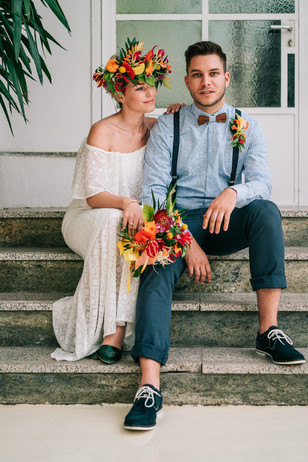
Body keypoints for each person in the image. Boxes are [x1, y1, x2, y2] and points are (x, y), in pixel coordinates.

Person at [124, 40, 305, 431]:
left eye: (213, 73)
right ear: (187, 82)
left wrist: (233, 192)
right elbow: (154, 193)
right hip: (179, 221)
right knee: (154, 268)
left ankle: (268, 330)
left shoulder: (248, 125)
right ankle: (149, 385)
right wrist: (186, 242)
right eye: (197, 75)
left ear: (226, 77)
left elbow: (261, 182)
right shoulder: (168, 126)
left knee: (266, 211)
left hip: (227, 219)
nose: (206, 82)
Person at [51, 38, 173, 363]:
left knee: (136, 228)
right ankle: (111, 333)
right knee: (115, 221)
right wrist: (127, 203)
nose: (150, 93)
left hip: (129, 218)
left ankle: (116, 328)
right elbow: (93, 196)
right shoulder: (102, 131)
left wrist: (179, 112)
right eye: (139, 87)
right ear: (120, 94)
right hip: (88, 218)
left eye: (152, 86)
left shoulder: (158, 127)